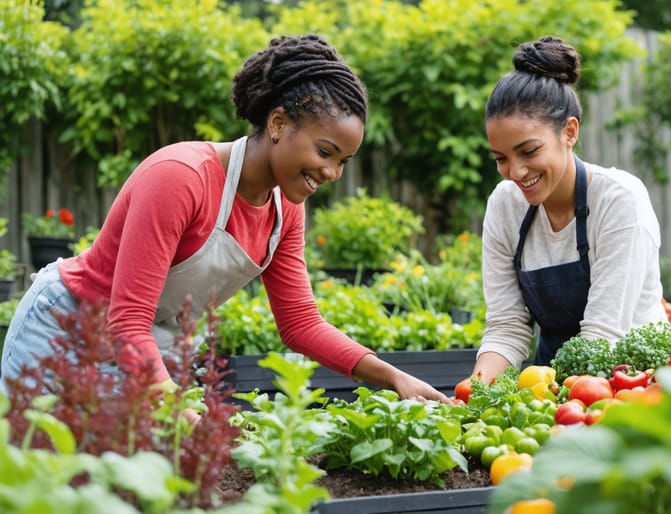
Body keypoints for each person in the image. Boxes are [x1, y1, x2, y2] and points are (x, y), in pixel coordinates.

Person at [0, 34, 448, 409]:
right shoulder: (181, 177)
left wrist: (393, 377)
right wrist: (172, 405)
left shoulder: (284, 209)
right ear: (277, 123)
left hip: (148, 347)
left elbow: (300, 324)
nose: (332, 174)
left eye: (344, 161)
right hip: (67, 332)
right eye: (325, 152)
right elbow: (128, 318)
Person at [470, 36, 667, 383]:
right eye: (501, 158)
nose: (515, 172)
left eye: (529, 151)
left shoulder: (619, 200)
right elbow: (507, 327)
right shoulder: (504, 205)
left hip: (631, 385)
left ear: (570, 132)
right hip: (551, 384)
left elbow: (604, 336)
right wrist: (475, 391)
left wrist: (547, 400)